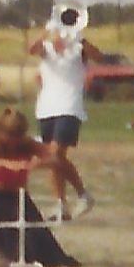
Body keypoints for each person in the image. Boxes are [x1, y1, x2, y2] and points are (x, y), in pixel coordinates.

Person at [0, 107, 79, 267]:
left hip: (18, 197)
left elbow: (55, 159)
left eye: (18, 137)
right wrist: (5, 164)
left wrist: (38, 163)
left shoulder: (28, 144)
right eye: (10, 136)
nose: (14, 141)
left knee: (37, 244)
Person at [27, 22, 94, 217]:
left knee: (55, 154)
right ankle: (61, 204)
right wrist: (46, 32)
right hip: (47, 108)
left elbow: (99, 56)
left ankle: (83, 194)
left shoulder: (78, 49)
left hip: (70, 107)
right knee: (52, 158)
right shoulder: (46, 49)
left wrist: (78, 37)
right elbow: (32, 49)